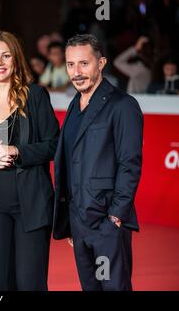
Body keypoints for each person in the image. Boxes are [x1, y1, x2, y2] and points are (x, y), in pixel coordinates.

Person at [0, 31, 60, 291]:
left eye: (6, 56)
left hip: (31, 207)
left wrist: (16, 151)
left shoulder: (36, 96)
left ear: (16, 59)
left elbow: (54, 145)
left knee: (29, 283)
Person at [53, 34, 143, 291]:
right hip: (79, 224)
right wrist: (70, 222)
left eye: (84, 63)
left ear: (101, 63)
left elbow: (130, 164)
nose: (76, 72)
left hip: (107, 223)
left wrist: (114, 217)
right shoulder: (74, 105)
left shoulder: (123, 105)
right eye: (70, 64)